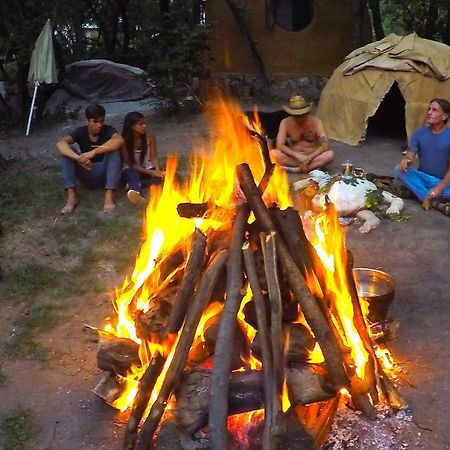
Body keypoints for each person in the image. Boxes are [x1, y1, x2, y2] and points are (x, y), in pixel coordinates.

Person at [56, 103, 123, 214]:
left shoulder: (108, 130)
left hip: (105, 173)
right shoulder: (80, 132)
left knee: (114, 150)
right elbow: (60, 144)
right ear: (87, 121)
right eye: (95, 122)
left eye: (101, 121)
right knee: (66, 153)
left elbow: (119, 140)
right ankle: (72, 196)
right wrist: (77, 158)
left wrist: (93, 152)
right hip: (87, 171)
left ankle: (109, 195)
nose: (99, 125)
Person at [394, 98, 450, 216]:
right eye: (429, 109)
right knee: (398, 170)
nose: (429, 112)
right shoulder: (419, 133)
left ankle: (416, 192)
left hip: (444, 182)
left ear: (444, 116)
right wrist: (405, 161)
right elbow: (410, 155)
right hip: (423, 178)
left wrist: (439, 188)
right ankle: (437, 203)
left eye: (434, 110)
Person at [270, 95, 335, 173]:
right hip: (294, 158)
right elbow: (280, 146)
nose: (300, 118)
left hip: (313, 157)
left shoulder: (316, 122)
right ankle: (310, 168)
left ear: (306, 112)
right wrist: (298, 156)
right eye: (297, 116)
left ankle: (299, 169)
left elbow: (325, 145)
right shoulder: (285, 122)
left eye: (302, 115)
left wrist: (309, 158)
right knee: (273, 153)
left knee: (330, 155)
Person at [120, 111, 164, 204]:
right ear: (132, 127)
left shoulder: (150, 136)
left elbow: (154, 157)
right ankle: (136, 193)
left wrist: (157, 171)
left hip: (146, 167)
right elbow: (131, 165)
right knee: (133, 174)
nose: (144, 126)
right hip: (130, 169)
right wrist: (151, 172)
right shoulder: (123, 141)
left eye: (145, 123)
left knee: (164, 177)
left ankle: (135, 184)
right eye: (140, 124)